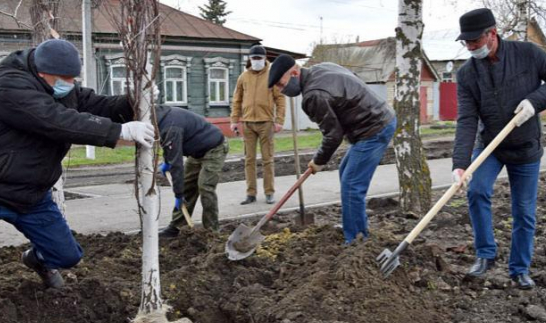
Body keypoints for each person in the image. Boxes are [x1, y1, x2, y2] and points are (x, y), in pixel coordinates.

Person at [0, 39, 155, 323]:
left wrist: (136, 102)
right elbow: (54, 120)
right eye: (64, 80)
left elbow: (98, 105)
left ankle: (36, 259)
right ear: (41, 73)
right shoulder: (8, 86)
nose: (71, 86)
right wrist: (117, 133)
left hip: (31, 196)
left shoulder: (59, 89)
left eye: (73, 80)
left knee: (67, 256)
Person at [451, 8, 546, 289]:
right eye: (465, 43)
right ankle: (485, 254)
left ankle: (519, 269)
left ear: (491, 34)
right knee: (477, 189)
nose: (470, 47)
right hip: (490, 146)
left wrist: (535, 101)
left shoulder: (527, 54)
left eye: (474, 41)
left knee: (524, 211)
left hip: (526, 147)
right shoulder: (467, 74)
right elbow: (467, 119)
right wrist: (460, 163)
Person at [268, 55, 396, 244]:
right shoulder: (322, 66)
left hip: (373, 129)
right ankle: (351, 225)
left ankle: (356, 239)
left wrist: (318, 161)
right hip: (377, 119)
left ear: (294, 73)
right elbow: (352, 79)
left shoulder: (313, 95)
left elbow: (333, 135)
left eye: (281, 84)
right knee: (346, 173)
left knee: (352, 185)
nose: (281, 90)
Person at [156, 105, 228, 237]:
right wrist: (167, 161)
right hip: (196, 152)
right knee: (187, 185)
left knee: (205, 187)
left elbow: (177, 164)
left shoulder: (171, 127)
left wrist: (178, 194)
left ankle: (212, 231)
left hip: (214, 148)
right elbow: (168, 145)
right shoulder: (161, 118)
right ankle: (177, 226)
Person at [230, 45, 286, 205]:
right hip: (247, 123)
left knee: (268, 159)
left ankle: (269, 193)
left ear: (264, 58)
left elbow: (280, 100)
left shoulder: (272, 76)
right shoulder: (243, 77)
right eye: (253, 58)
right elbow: (237, 100)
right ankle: (251, 193)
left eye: (259, 58)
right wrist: (234, 121)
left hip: (266, 123)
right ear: (249, 59)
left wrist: (279, 121)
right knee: (249, 159)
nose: (256, 61)